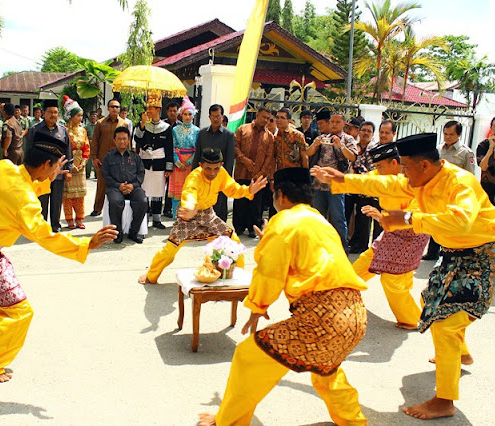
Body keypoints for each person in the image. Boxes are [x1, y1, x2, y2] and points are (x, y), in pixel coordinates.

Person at [312, 133, 495, 420]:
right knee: (438, 306)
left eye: (405, 167)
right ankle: (461, 354)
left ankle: (445, 400)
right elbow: (383, 182)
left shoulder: (460, 183)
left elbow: (461, 220)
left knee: (445, 324)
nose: (401, 173)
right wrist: (341, 179)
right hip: (455, 255)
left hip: (482, 255)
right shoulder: (420, 178)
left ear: (425, 165)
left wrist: (406, 219)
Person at [198, 167, 368, 426]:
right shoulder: (320, 221)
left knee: (248, 355)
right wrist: (270, 240)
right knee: (325, 368)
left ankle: (228, 422)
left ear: (280, 195)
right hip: (354, 316)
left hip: (322, 320)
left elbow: (270, 270)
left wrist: (257, 306)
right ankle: (353, 421)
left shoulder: (283, 222)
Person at [0, 131, 118, 383]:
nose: (56, 173)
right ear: (45, 164)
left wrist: (47, 178)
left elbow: (20, 186)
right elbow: (45, 236)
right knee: (20, 312)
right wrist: (85, 245)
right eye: (55, 167)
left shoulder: (4, 167)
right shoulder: (25, 202)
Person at [138, 148, 267, 284]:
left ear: (221, 165)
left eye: (216, 168)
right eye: (208, 169)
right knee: (169, 251)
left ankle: (238, 276)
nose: (212, 173)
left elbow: (232, 189)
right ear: (200, 165)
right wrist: (191, 207)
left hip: (208, 215)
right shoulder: (194, 177)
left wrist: (248, 190)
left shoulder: (222, 174)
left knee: (233, 241)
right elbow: (189, 193)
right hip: (188, 217)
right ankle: (151, 276)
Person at [344, 142, 429, 329]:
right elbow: (363, 181)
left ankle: (412, 319)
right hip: (390, 234)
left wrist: (383, 216)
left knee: (394, 281)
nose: (377, 170)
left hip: (411, 236)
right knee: (362, 265)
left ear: (394, 163)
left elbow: (416, 216)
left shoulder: (415, 181)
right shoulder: (382, 175)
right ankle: (341, 297)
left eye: (380, 166)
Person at [423, 121, 477, 260]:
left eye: (451, 134)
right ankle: (432, 251)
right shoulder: (438, 150)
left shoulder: (466, 153)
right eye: (445, 134)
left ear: (459, 135)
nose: (447, 137)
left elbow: (470, 175)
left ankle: (449, 250)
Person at [307, 111, 357, 251]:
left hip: (337, 186)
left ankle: (342, 248)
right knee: (318, 217)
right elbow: (308, 153)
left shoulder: (348, 139)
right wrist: (315, 144)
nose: (334, 124)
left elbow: (352, 157)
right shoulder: (322, 137)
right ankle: (317, 247)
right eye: (332, 122)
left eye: (337, 122)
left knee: (338, 218)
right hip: (319, 184)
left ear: (344, 123)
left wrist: (340, 145)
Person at [27, 99, 73, 232]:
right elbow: (29, 151)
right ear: (43, 113)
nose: (53, 115)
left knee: (56, 200)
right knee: (41, 199)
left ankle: (55, 225)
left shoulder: (63, 131)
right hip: (41, 173)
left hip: (58, 172)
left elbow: (68, 152)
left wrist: (68, 170)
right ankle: (41, 226)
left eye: (56, 112)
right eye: (50, 112)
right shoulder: (35, 130)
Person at [134, 90, 173, 230]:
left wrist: (169, 167)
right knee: (144, 191)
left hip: (159, 163)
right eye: (147, 108)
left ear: (158, 110)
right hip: (145, 162)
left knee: (158, 191)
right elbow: (137, 138)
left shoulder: (167, 128)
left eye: (151, 108)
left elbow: (169, 148)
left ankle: (156, 218)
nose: (148, 110)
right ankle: (143, 218)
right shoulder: (144, 125)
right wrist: (142, 124)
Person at [233, 107, 275, 238]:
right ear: (257, 115)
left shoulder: (269, 136)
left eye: (268, 119)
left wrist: (261, 172)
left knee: (256, 203)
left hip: (258, 176)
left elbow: (269, 157)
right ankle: (239, 227)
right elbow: (235, 147)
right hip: (241, 171)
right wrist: (244, 160)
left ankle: (253, 228)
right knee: (240, 200)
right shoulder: (242, 129)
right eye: (264, 117)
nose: (266, 121)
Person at [102, 127, 147, 244]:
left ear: (128, 140)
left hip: (133, 187)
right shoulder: (108, 157)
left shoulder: (135, 157)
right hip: (115, 188)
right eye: (119, 139)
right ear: (114, 140)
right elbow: (106, 175)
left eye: (124, 139)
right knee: (116, 202)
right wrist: (118, 185)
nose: (122, 141)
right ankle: (118, 233)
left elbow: (141, 173)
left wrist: (133, 185)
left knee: (142, 200)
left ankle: (134, 232)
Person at [192, 104, 235, 222]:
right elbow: (198, 155)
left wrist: (226, 179)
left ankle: (220, 229)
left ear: (222, 117)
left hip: (219, 176)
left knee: (220, 203)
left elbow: (230, 159)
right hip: (203, 175)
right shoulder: (202, 133)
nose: (216, 119)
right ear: (209, 117)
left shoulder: (229, 135)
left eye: (218, 116)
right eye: (213, 116)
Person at [346, 120, 380, 253]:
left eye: (369, 131)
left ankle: (361, 246)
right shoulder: (354, 146)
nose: (365, 133)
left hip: (365, 188)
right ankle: (351, 242)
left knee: (362, 218)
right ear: (359, 131)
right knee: (347, 214)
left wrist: (358, 171)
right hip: (351, 186)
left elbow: (372, 169)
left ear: (372, 134)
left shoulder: (374, 149)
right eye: (363, 130)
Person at [90, 99, 127, 217]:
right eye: (112, 106)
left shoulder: (124, 124)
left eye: (117, 107)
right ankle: (97, 208)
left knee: (118, 184)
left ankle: (117, 208)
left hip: (119, 159)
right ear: (108, 108)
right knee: (101, 185)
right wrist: (95, 158)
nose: (115, 109)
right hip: (103, 159)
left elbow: (127, 142)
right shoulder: (101, 123)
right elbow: (95, 141)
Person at [62, 96, 90, 230]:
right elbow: (61, 149)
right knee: (68, 195)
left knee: (80, 195)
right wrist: (70, 165)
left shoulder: (83, 131)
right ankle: (69, 220)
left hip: (81, 167)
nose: (80, 118)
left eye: (81, 116)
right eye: (78, 115)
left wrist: (83, 162)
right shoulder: (64, 131)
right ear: (71, 116)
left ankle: (79, 219)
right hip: (69, 165)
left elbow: (87, 147)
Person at [169, 98, 199, 218]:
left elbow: (198, 149)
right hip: (178, 163)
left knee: (190, 190)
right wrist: (177, 162)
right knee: (178, 192)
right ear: (181, 115)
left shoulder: (197, 131)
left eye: (190, 114)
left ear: (193, 115)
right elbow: (172, 147)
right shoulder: (175, 130)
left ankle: (188, 217)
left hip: (190, 165)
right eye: (185, 114)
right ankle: (177, 217)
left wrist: (189, 162)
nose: (187, 117)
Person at [476, 115, 495, 205]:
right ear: (491, 128)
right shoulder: (484, 145)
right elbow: (483, 167)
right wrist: (491, 148)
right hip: (488, 191)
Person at [162, 101, 182, 218]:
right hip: (163, 157)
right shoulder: (162, 124)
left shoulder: (180, 126)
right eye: (170, 111)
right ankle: (153, 208)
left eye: (175, 110)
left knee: (171, 184)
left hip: (176, 159)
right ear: (167, 112)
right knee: (160, 184)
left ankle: (168, 208)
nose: (173, 113)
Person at [84, 111, 98, 179]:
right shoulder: (86, 127)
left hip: (97, 146)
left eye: (94, 116)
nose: (93, 118)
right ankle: (87, 174)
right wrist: (88, 140)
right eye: (92, 116)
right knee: (88, 161)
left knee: (96, 160)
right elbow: (84, 135)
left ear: (96, 117)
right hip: (89, 146)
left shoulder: (99, 126)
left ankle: (96, 174)